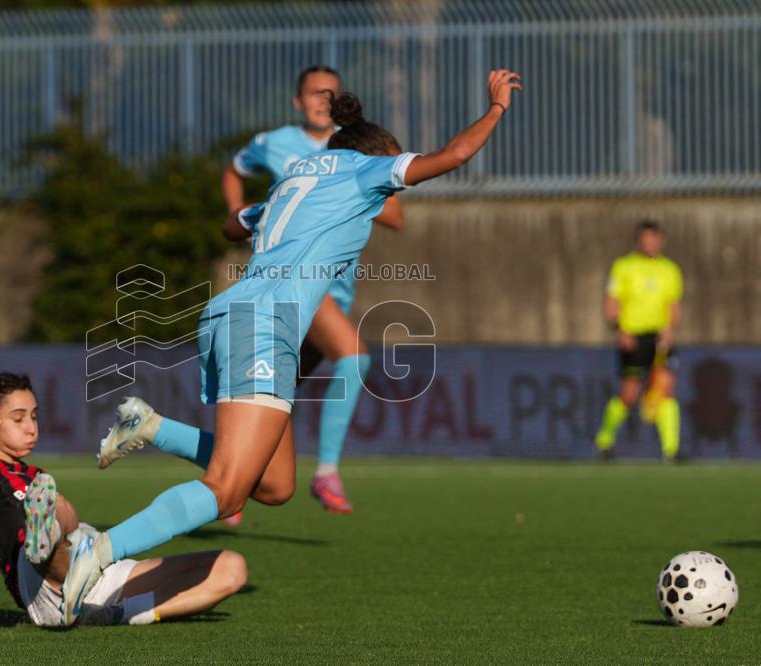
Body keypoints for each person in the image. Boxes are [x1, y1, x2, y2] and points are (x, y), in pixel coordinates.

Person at [83, 70, 522, 617]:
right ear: (374, 153)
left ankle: (150, 427)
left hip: (231, 315)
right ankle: (97, 549)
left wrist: (264, 224)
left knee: (273, 486)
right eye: (390, 160)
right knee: (226, 491)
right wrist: (498, 107)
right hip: (267, 325)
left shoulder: (293, 178)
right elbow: (455, 154)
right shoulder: (364, 169)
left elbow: (231, 228)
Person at [0, 371, 247, 627]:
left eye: (34, 416)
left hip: (90, 578)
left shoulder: (31, 472)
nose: (31, 427)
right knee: (56, 504)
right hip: (40, 586)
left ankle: (112, 612)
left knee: (231, 569)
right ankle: (48, 536)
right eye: (19, 418)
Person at [221, 65, 405, 515]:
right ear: (297, 102)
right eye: (314, 93)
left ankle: (231, 477)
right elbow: (233, 171)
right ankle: (326, 473)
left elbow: (397, 217)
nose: (322, 101)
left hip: (333, 289)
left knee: (275, 395)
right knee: (354, 355)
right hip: (292, 282)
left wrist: (342, 188)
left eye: (331, 94)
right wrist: (240, 214)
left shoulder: (357, 152)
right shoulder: (275, 143)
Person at [595, 221, 684, 461]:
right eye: (644, 240)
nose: (649, 244)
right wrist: (619, 330)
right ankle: (604, 440)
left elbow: (673, 305)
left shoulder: (670, 269)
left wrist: (670, 330)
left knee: (665, 390)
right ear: (638, 241)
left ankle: (671, 451)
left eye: (653, 239)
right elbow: (612, 301)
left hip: (659, 338)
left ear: (660, 240)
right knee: (629, 395)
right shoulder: (624, 266)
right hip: (633, 337)